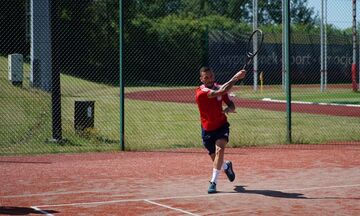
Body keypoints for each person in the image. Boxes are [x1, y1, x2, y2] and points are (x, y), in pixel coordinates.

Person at [195, 66, 246, 193]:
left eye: (211, 76)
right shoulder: (201, 93)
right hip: (207, 129)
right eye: (206, 77)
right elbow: (221, 91)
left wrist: (229, 109)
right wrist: (236, 77)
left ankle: (213, 183)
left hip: (221, 126)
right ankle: (226, 166)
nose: (210, 79)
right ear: (201, 79)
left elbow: (231, 104)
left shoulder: (218, 87)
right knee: (216, 159)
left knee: (220, 151)